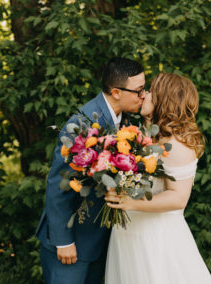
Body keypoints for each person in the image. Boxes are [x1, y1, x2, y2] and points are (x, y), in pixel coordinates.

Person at [35, 57, 146, 284]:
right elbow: (59, 184)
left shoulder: (127, 122)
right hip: (72, 240)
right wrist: (63, 241)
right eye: (139, 90)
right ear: (116, 92)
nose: (143, 96)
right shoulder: (80, 124)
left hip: (101, 239)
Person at [104, 73, 211, 284]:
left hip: (156, 238)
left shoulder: (178, 143)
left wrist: (131, 202)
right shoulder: (144, 134)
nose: (144, 95)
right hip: (130, 232)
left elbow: (178, 198)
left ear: (165, 99)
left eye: (151, 91)